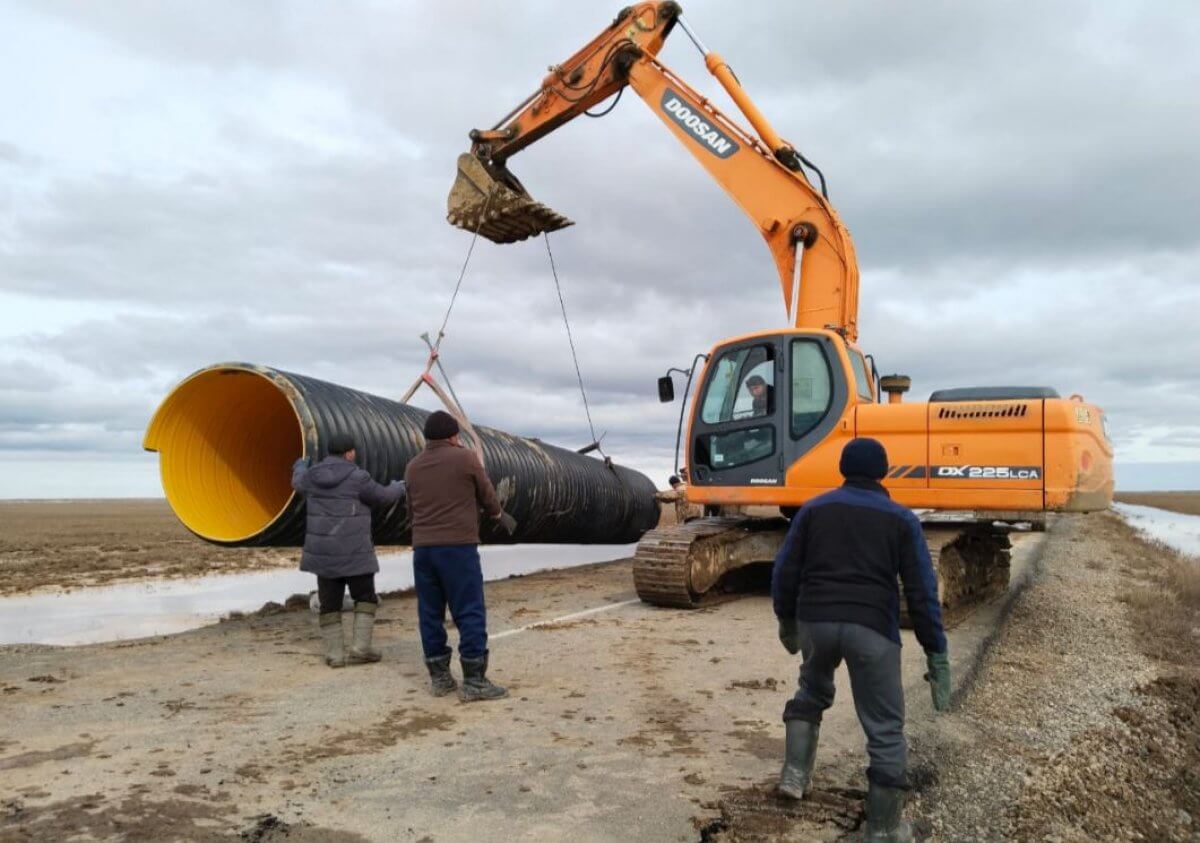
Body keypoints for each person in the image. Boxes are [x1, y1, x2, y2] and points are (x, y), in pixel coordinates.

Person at [770, 438, 951, 843]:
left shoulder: (813, 510)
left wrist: (787, 618)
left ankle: (795, 774)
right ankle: (884, 830)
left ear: (843, 469)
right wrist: (935, 651)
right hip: (872, 629)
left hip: (817, 622)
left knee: (811, 690)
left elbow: (785, 569)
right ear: (883, 472)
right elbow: (921, 591)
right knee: (885, 726)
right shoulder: (901, 519)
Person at [404, 411, 515, 701]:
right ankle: (475, 682)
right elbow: (487, 494)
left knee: (430, 613)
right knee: (469, 610)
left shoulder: (413, 466)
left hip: (423, 550)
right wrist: (498, 514)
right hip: (457, 548)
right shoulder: (466, 458)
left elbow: (410, 509)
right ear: (454, 436)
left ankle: (440, 679)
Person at [292, 433, 406, 669]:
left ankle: (335, 655)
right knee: (365, 598)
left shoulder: (311, 477)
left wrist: (300, 464)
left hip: (324, 554)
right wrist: (398, 487)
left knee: (329, 603)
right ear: (350, 453)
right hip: (355, 552)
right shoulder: (358, 477)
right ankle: (360, 649)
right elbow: (383, 497)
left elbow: (297, 481)